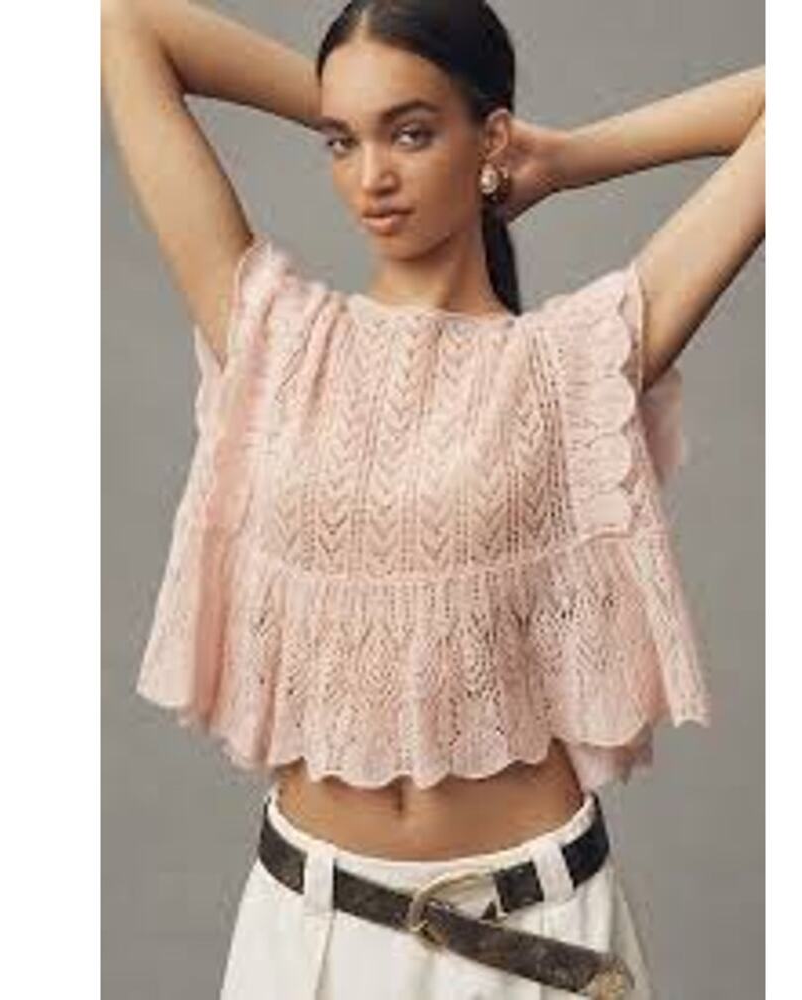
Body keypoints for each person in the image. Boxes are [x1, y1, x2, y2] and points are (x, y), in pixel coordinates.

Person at [101, 1, 764, 997]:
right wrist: (369, 98)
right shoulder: (275, 338)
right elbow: (126, 26)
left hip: (535, 938)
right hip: (308, 936)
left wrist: (564, 156)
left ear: (488, 138)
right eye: (341, 141)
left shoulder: (576, 362)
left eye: (410, 135)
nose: (369, 176)